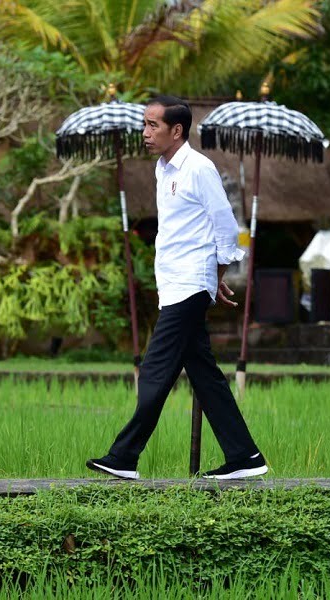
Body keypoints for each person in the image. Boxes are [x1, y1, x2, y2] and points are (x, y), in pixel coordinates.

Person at [87, 96, 267, 481]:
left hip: (190, 283)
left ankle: (124, 456)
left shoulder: (199, 169)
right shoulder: (161, 168)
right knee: (204, 375)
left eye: (153, 125)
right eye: (144, 124)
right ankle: (246, 456)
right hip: (174, 282)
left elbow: (224, 226)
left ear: (177, 130)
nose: (145, 133)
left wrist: (213, 277)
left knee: (155, 369)